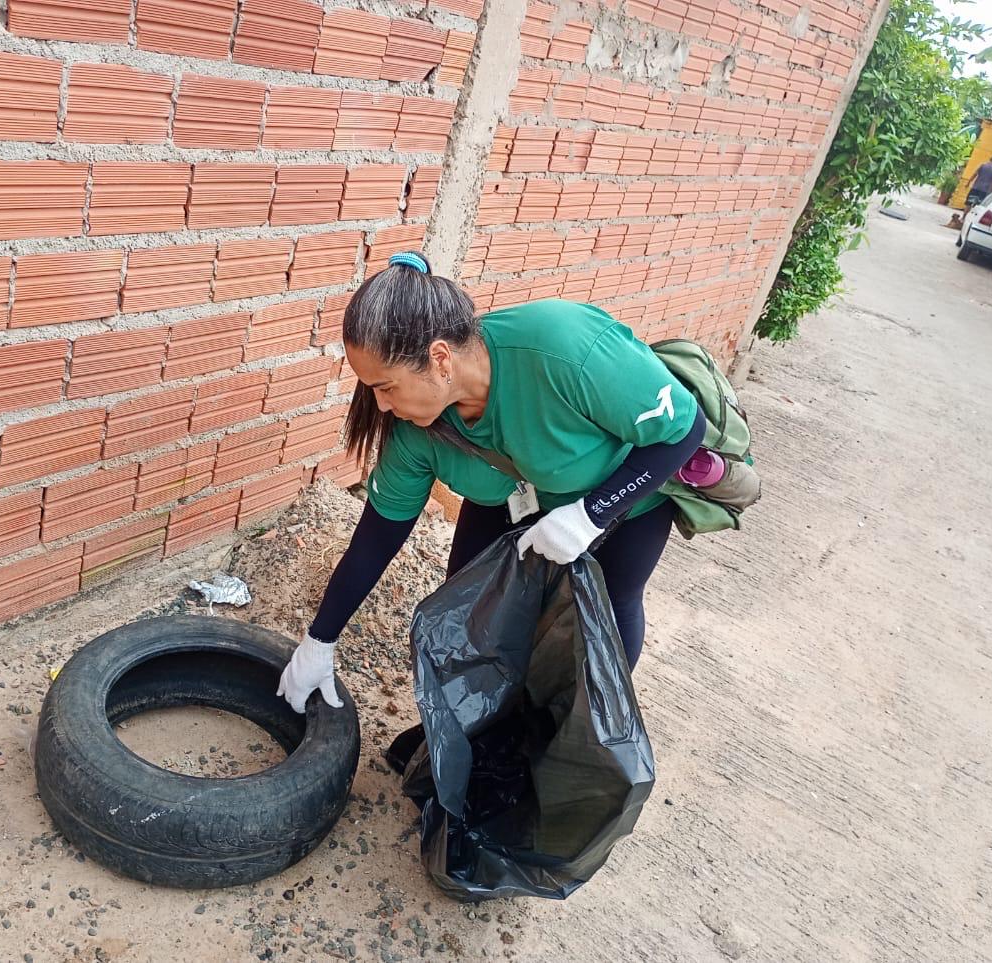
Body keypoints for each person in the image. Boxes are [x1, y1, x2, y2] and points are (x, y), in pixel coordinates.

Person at [276, 251, 708, 715]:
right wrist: (320, 640)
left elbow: (684, 430)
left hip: (623, 494)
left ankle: (576, 741)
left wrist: (591, 515)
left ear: (439, 359)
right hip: (511, 497)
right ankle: (477, 737)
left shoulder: (560, 345)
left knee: (604, 612)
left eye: (386, 387)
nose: (380, 406)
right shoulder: (413, 433)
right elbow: (377, 537)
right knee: (469, 609)